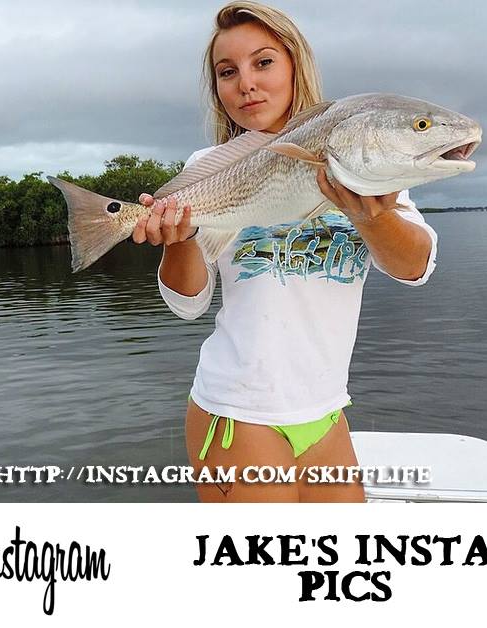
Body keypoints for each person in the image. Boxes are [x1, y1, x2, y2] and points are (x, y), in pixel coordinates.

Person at [131, 1, 437, 503]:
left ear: (296, 64)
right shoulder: (209, 167)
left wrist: (374, 215)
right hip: (240, 410)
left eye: (264, 62)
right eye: (227, 72)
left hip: (326, 410)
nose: (246, 83)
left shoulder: (362, 153)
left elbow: (414, 269)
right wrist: (180, 240)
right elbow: (187, 304)